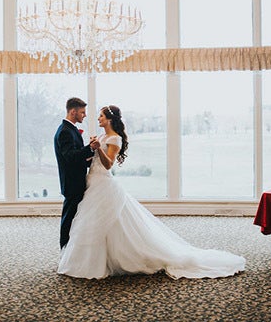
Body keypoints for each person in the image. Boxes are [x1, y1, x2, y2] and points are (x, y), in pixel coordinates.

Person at [58, 105, 246, 279]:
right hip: (92, 182)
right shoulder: (100, 137)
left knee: (106, 222)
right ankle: (94, 260)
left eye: (100, 116)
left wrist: (98, 151)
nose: (97, 118)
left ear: (109, 119)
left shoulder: (115, 138)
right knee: (91, 222)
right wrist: (92, 150)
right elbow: (93, 158)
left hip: (103, 183)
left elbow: (108, 165)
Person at [54, 97, 100, 249]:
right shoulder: (65, 132)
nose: (84, 115)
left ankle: (71, 249)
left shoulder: (70, 129)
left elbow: (75, 157)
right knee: (69, 217)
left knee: (73, 216)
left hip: (75, 179)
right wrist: (90, 148)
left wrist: (92, 160)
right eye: (82, 112)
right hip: (72, 181)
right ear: (73, 112)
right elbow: (70, 156)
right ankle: (65, 248)